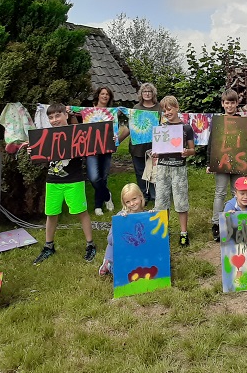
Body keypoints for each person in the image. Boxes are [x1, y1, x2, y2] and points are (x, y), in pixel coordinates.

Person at [32, 103, 96, 264]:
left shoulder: (77, 132)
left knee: (81, 211)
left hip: (74, 180)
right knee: (51, 214)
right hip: (53, 181)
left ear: (66, 115)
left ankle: (90, 244)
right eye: (51, 117)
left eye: (58, 115)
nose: (54, 120)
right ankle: (48, 246)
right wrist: (33, 150)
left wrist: (111, 139)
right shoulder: (46, 136)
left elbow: (96, 143)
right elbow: (40, 156)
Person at [153, 96, 195, 247]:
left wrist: (186, 152)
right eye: (164, 110)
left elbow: (192, 150)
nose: (167, 112)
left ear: (177, 107)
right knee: (161, 202)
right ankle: (163, 233)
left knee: (181, 201)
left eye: (169, 109)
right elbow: (157, 149)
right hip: (163, 168)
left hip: (179, 169)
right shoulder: (161, 128)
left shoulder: (186, 128)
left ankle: (183, 233)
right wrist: (155, 153)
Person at [209, 89, 243, 240]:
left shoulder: (242, 121)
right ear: (223, 104)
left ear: (237, 103)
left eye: (232, 102)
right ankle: (216, 224)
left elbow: (246, 144)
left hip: (238, 162)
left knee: (237, 192)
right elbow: (212, 143)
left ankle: (236, 221)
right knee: (220, 192)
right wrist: (210, 162)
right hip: (221, 162)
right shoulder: (218, 122)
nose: (230, 106)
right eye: (227, 102)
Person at [121, 83, 161, 205]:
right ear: (141, 94)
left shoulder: (160, 108)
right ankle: (144, 194)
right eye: (145, 91)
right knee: (140, 172)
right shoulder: (136, 108)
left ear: (153, 93)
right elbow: (130, 127)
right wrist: (118, 140)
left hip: (154, 146)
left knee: (154, 172)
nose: (147, 94)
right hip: (137, 147)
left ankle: (155, 195)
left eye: (149, 91)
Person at [99, 183, 146, 276]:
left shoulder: (146, 215)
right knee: (123, 274)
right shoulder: (121, 216)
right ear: (124, 203)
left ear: (141, 197)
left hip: (136, 253)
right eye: (128, 202)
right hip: (121, 255)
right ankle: (108, 264)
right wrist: (120, 225)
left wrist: (154, 217)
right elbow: (110, 240)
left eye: (134, 199)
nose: (132, 204)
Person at [88, 86, 116, 216]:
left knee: (103, 177)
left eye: (107, 94)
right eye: (102, 93)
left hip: (106, 147)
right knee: (94, 177)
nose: (105, 96)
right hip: (91, 148)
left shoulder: (111, 113)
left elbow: (114, 129)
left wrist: (115, 136)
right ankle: (107, 195)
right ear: (98, 95)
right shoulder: (88, 111)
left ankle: (98, 206)